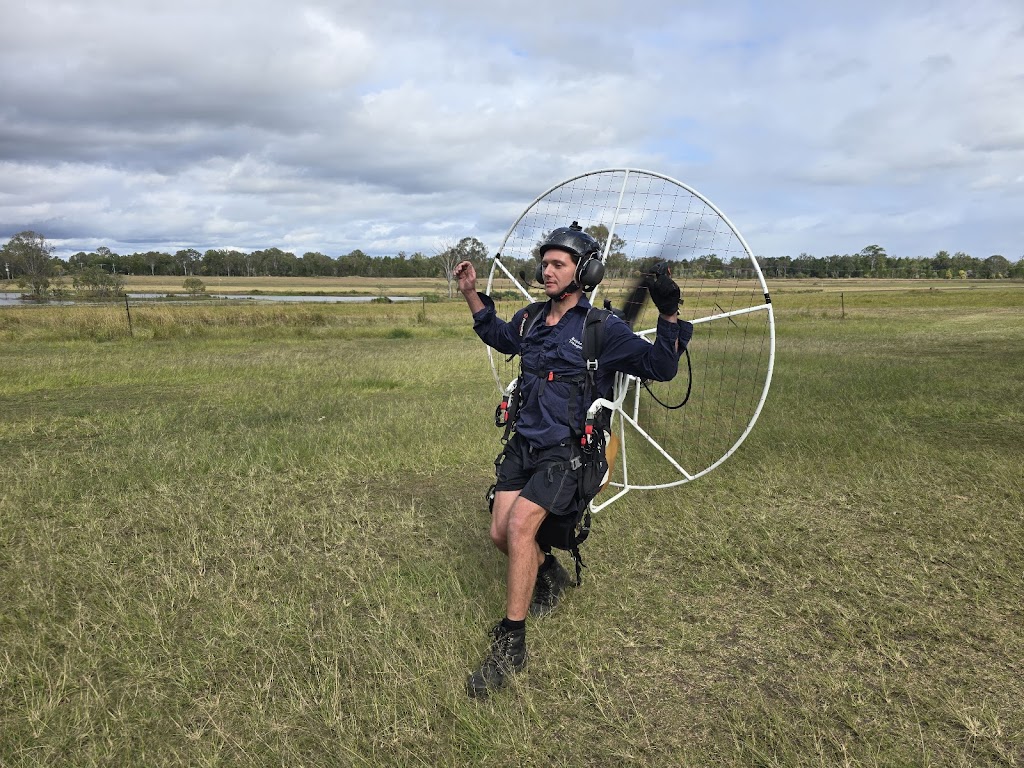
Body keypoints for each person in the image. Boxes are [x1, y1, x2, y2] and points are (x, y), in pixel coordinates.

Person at [455, 222, 694, 698]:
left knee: (521, 528)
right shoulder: (529, 320)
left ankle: (512, 643)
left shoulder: (603, 329)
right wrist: (470, 294)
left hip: (567, 453)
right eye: (544, 263)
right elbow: (500, 336)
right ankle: (548, 575)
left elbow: (661, 367)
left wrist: (669, 312)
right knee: (500, 534)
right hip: (523, 444)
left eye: (557, 264)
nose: (547, 271)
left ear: (585, 271)